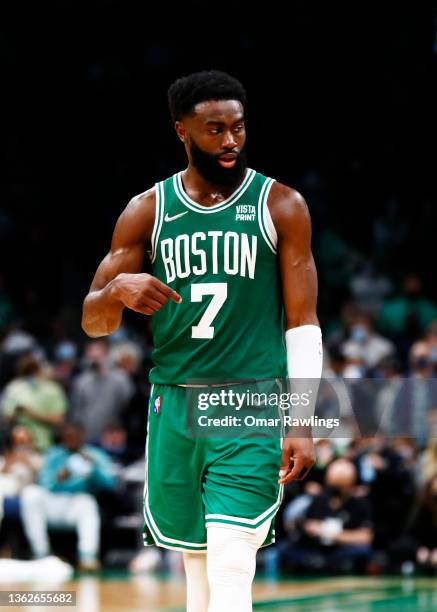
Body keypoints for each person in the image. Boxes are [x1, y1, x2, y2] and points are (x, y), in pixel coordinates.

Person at [81, 70, 323, 612]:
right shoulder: (147, 210)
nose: (231, 140)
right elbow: (94, 323)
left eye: (238, 127)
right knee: (198, 567)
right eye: (214, 129)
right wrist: (117, 289)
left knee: (232, 564)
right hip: (175, 401)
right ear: (181, 132)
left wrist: (302, 419)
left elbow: (303, 322)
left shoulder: (281, 205)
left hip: (248, 398)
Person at [20, 422, 116, 571]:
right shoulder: (53, 454)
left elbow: (110, 484)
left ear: (81, 437)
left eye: (75, 437)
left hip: (76, 504)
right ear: (63, 438)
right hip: (51, 503)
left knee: (88, 503)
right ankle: (41, 554)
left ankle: (87, 557)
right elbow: (44, 484)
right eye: (68, 437)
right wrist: (59, 479)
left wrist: (93, 470)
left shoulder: (94, 455)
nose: (72, 440)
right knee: (30, 494)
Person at [1, 354, 67, 452]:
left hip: (44, 445)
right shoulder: (13, 388)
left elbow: (59, 420)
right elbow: (5, 418)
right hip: (18, 446)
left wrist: (31, 414)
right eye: (27, 372)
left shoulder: (52, 389)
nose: (30, 375)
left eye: (32, 370)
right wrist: (17, 412)